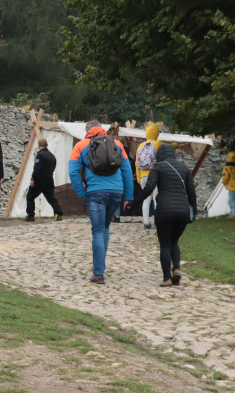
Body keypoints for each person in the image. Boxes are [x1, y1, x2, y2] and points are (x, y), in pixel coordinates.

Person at [67, 121, 134, 284]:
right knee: (105, 227)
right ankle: (100, 267)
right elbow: (127, 169)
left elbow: (73, 171)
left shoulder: (80, 146)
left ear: (87, 131)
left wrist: (83, 194)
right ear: (102, 130)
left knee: (97, 231)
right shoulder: (116, 143)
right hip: (116, 192)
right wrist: (129, 196)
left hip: (95, 193)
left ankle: (98, 273)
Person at [136, 143, 196, 286]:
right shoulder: (184, 168)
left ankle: (166, 278)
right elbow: (191, 193)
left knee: (164, 244)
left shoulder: (158, 167)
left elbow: (149, 187)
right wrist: (193, 210)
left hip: (164, 210)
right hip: (182, 212)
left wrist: (136, 201)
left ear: (159, 155)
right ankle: (176, 268)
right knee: (174, 241)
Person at [25, 138, 63, 222]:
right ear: (47, 145)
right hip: (49, 179)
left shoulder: (40, 155)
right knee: (51, 198)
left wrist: (33, 179)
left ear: (39, 146)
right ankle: (58, 214)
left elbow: (37, 168)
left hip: (39, 179)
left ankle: (30, 215)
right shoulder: (52, 156)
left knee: (30, 196)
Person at [135, 123, 163, 229]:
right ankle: (157, 222)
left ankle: (146, 223)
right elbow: (169, 149)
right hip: (156, 175)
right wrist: (176, 145)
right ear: (156, 134)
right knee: (157, 199)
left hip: (143, 176)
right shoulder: (159, 143)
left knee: (146, 200)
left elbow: (137, 164)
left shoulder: (141, 146)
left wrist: (138, 178)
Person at [221, 152, 235, 218]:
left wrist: (224, 182)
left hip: (232, 186)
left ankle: (234, 213)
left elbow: (225, 176)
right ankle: (231, 212)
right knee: (231, 200)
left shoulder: (227, 168)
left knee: (231, 200)